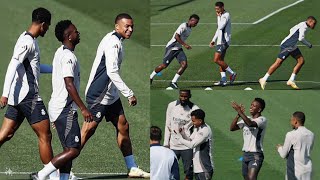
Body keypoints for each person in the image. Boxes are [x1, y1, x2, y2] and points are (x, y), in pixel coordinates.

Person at [80, 13, 149, 178]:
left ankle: (132, 167)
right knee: (88, 131)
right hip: (99, 94)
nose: (130, 29)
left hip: (110, 94)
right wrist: (129, 93)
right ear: (117, 26)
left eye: (132, 26)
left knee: (123, 126)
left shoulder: (116, 39)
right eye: (127, 26)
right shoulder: (113, 44)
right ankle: (62, 168)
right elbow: (111, 71)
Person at [0, 7, 58, 179]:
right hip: (28, 96)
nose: (47, 29)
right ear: (42, 24)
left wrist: (56, 69)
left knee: (5, 134)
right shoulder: (28, 42)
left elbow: (34, 68)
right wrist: (4, 94)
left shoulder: (27, 38)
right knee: (45, 134)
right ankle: (52, 177)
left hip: (17, 96)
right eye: (47, 26)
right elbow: (13, 65)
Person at [32, 20, 92, 180]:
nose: (78, 33)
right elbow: (69, 84)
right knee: (74, 149)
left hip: (60, 108)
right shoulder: (68, 57)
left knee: (68, 148)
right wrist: (83, 108)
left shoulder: (60, 51)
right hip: (64, 110)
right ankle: (41, 174)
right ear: (69, 36)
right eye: (75, 31)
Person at [259, 16, 317, 90]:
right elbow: (301, 38)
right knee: (278, 63)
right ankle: (263, 79)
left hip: (292, 46)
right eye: (314, 23)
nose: (314, 26)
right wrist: (309, 45)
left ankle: (291, 80)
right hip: (287, 45)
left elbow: (291, 29)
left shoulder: (302, 23)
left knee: (301, 61)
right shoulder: (304, 27)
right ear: (310, 21)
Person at [150, 14, 200, 89]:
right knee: (164, 66)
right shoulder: (183, 26)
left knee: (184, 64)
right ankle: (150, 77)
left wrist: (182, 45)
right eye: (195, 22)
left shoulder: (189, 29)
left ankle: (173, 82)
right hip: (172, 48)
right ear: (191, 20)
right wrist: (185, 45)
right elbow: (177, 36)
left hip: (178, 49)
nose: (196, 24)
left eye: (197, 23)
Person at [164, 89, 200, 180]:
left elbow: (197, 129)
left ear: (190, 96)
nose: (183, 98)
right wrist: (166, 143)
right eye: (181, 96)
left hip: (187, 147)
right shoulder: (171, 105)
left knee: (188, 173)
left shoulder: (195, 109)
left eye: (185, 96)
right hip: (173, 146)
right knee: (169, 171)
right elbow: (168, 124)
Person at [230, 98, 267, 180]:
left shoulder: (262, 120)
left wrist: (240, 111)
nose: (251, 107)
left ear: (259, 109)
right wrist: (238, 115)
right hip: (245, 155)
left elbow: (250, 124)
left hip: (256, 155)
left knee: (251, 178)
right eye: (251, 105)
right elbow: (232, 128)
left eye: (254, 106)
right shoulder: (247, 118)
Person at [174, 109, 214, 180]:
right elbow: (190, 140)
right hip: (197, 168)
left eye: (194, 121)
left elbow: (192, 145)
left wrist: (179, 138)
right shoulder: (197, 128)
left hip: (204, 168)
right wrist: (182, 134)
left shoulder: (205, 130)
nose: (192, 123)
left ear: (200, 121)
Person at [276, 111, 314, 180]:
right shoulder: (311, 134)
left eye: (291, 120)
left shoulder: (291, 134)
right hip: (308, 170)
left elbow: (283, 155)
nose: (290, 122)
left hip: (295, 170)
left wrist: (279, 148)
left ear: (295, 121)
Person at [209, 1, 236, 86]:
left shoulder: (225, 15)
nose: (216, 10)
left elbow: (221, 26)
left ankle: (232, 73)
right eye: (215, 9)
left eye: (218, 9)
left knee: (216, 60)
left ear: (222, 7)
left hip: (224, 41)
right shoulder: (220, 15)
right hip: (220, 41)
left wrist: (219, 17)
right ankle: (224, 80)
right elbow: (218, 29)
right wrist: (213, 40)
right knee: (221, 60)